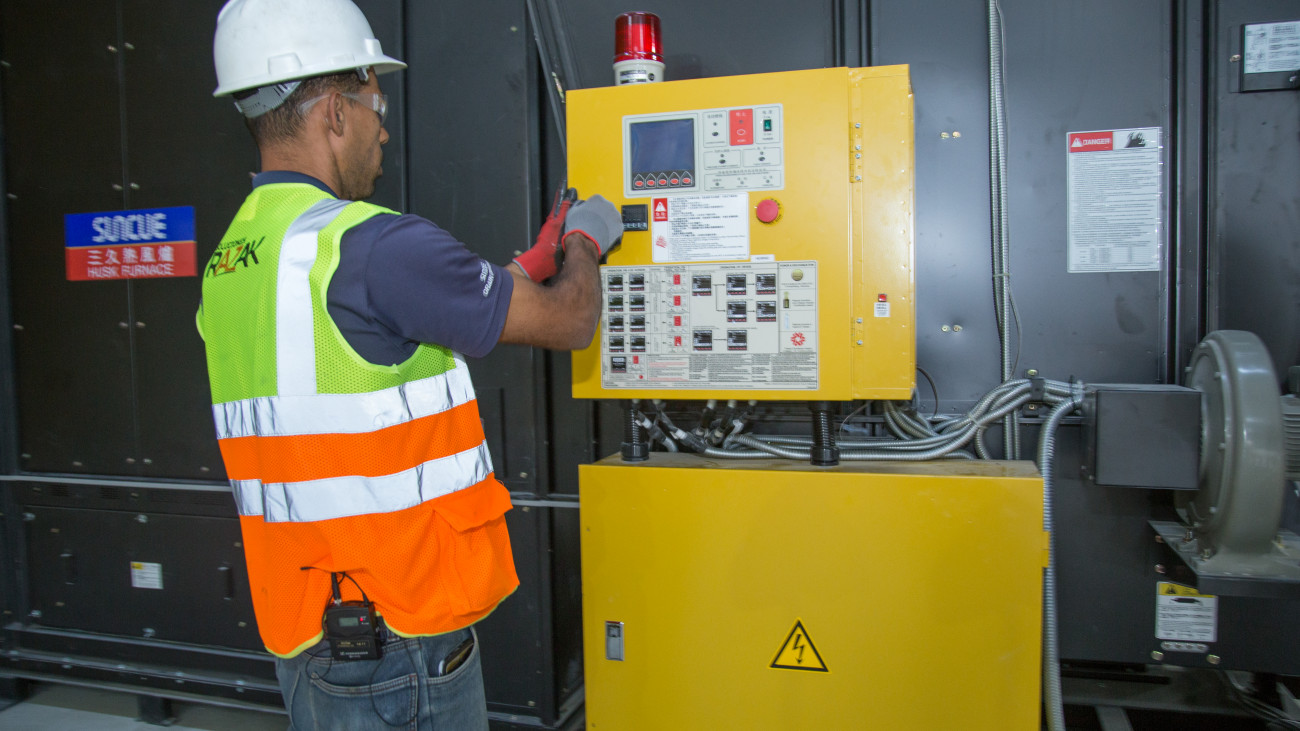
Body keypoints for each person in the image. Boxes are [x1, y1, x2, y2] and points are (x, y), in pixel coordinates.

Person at [198, 0, 622, 728]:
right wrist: (585, 241)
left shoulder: (235, 260)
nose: (383, 129)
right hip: (401, 646)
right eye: (377, 106)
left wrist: (531, 263)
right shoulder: (373, 244)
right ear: (335, 112)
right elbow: (573, 320)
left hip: (307, 639)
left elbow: (398, 317)